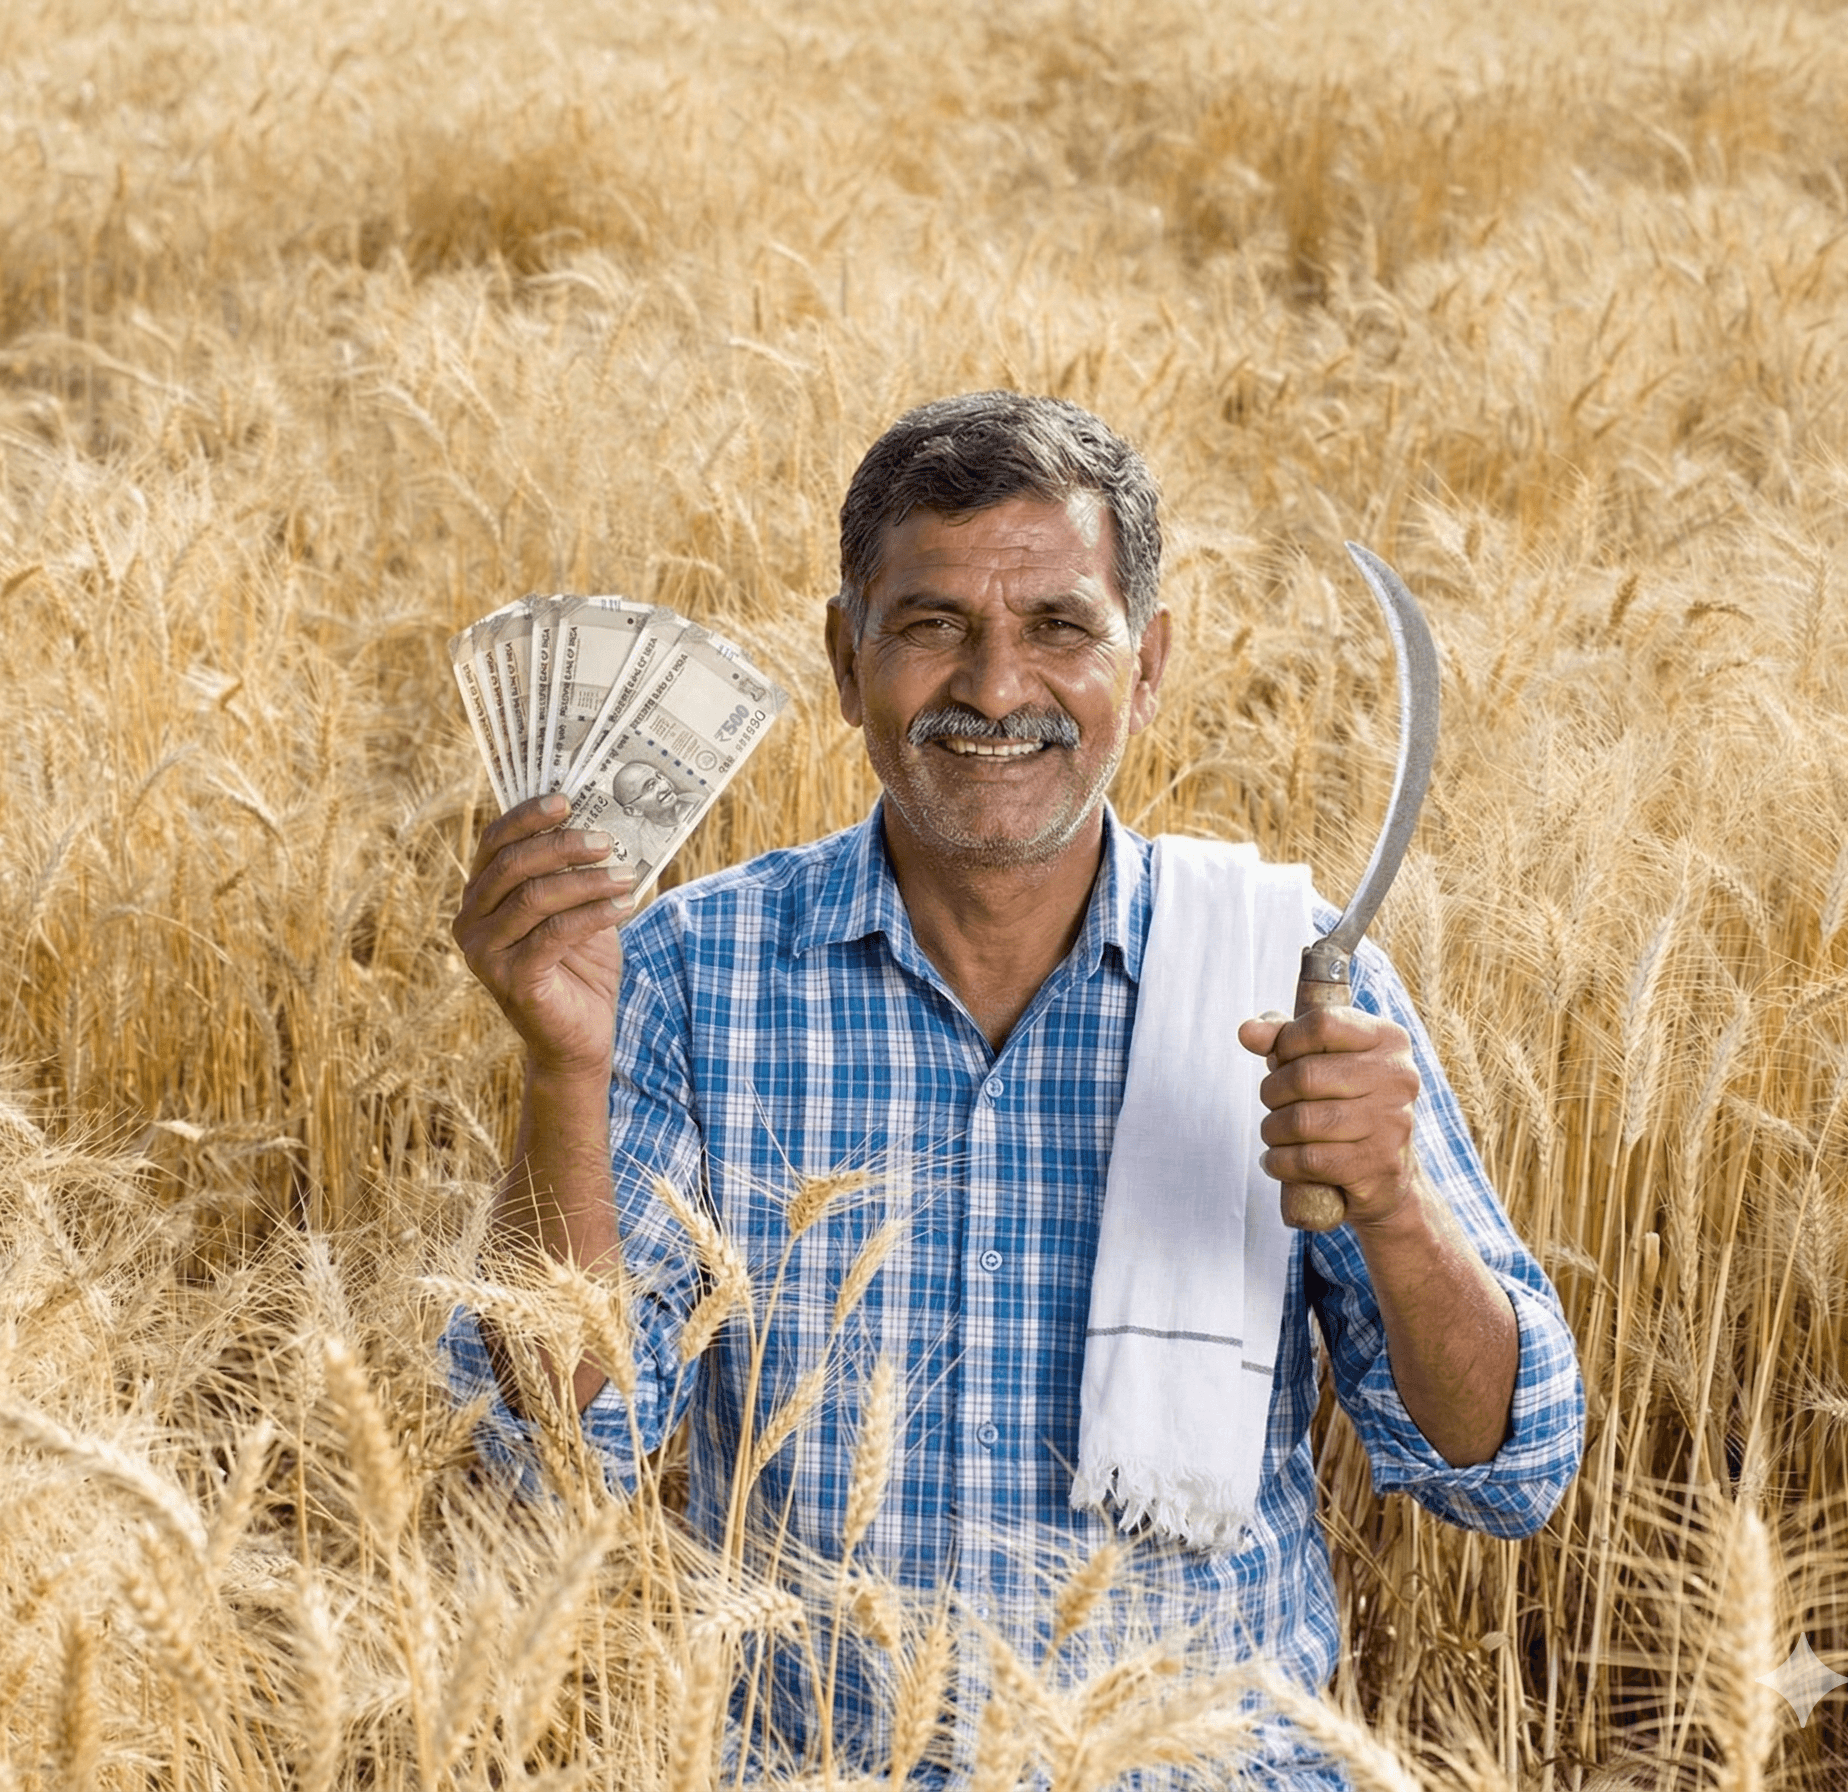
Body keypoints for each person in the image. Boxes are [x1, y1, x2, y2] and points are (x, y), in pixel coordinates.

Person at [445, 392, 1584, 1785]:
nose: (994, 690)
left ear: (1147, 664)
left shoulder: (1297, 978)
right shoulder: (687, 972)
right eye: (931, 627)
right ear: (842, 654)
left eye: (1060, 628)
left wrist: (1393, 1209)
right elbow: (551, 1460)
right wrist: (564, 1069)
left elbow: (1504, 1470)